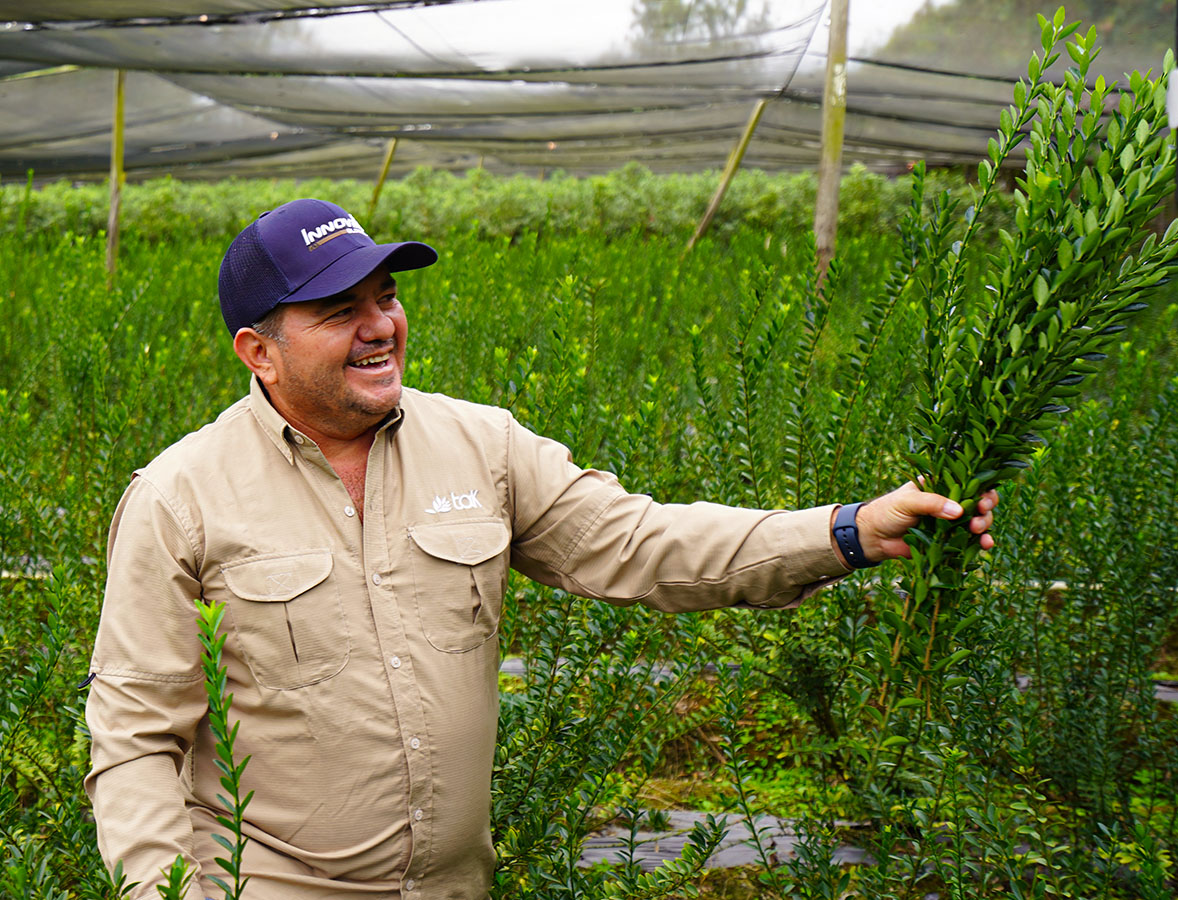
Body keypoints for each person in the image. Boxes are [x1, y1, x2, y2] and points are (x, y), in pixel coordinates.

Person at [84, 198, 998, 900]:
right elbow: (132, 744)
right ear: (260, 351)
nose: (380, 326)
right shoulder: (182, 497)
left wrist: (845, 530)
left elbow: (643, 542)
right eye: (337, 309)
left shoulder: (482, 447)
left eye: (387, 296)